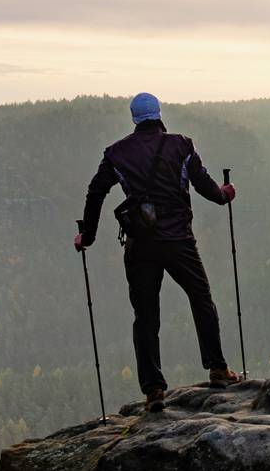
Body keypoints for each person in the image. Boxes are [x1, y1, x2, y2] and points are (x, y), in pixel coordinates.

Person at [74, 92, 240, 413]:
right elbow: (205, 185)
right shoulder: (181, 146)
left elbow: (96, 192)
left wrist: (88, 236)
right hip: (179, 241)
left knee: (146, 316)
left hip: (141, 247)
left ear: (134, 118)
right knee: (201, 298)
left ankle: (154, 390)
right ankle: (218, 369)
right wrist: (224, 195)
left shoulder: (116, 154)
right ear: (158, 114)